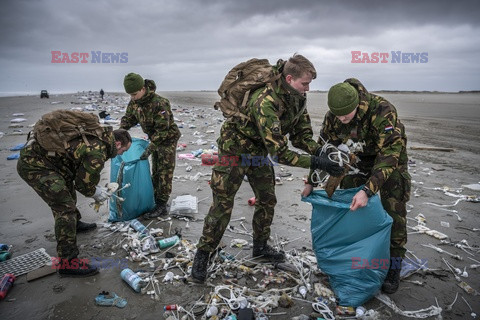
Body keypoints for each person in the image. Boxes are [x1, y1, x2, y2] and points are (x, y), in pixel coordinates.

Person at [191, 54, 343, 283]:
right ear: (290, 78)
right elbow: (280, 153)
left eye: (310, 84)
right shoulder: (265, 100)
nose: (308, 89)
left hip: (259, 152)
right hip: (235, 151)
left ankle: (260, 247)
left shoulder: (298, 98)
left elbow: (301, 136)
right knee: (223, 204)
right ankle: (203, 256)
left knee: (267, 198)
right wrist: (317, 163)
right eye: (305, 83)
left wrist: (318, 152)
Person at [302, 78, 411, 294]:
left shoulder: (383, 111)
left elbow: (390, 154)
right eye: (338, 116)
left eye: (346, 115)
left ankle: (394, 266)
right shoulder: (334, 117)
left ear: (356, 104)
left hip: (389, 161)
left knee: (394, 212)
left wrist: (368, 190)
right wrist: (311, 181)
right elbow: (325, 151)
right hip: (357, 160)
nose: (342, 120)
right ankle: (360, 256)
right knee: (351, 206)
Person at [17, 113, 132, 277]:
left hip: (50, 162)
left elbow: (80, 175)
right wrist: (96, 193)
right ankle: (67, 262)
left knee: (67, 190)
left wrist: (93, 187)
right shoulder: (98, 151)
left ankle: (75, 224)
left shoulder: (100, 136)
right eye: (123, 150)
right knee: (65, 208)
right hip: (36, 166)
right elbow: (83, 184)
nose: (121, 153)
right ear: (118, 143)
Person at [120, 73, 181, 218]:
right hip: (154, 137)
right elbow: (129, 118)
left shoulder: (160, 103)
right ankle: (154, 198)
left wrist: (149, 150)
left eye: (134, 94)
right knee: (155, 169)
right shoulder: (135, 102)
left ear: (143, 88)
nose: (132, 97)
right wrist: (120, 132)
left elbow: (163, 130)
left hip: (167, 139)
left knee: (164, 171)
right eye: (130, 95)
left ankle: (161, 204)